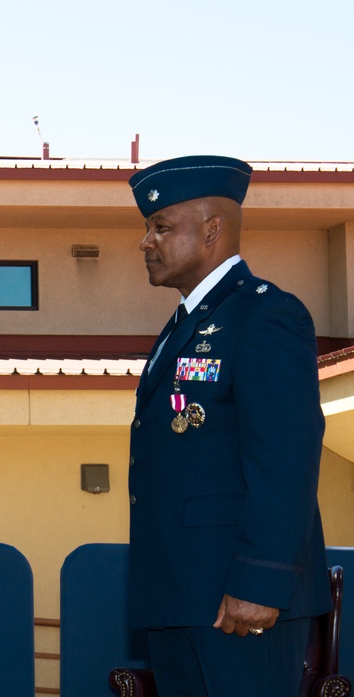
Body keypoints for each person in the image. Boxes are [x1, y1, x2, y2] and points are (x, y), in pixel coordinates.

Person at [127, 156, 332, 696]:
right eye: (148, 228)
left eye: (161, 227)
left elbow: (285, 458)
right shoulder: (182, 326)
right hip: (180, 593)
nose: (146, 242)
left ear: (212, 229)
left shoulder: (266, 315)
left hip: (238, 600)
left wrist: (259, 581)